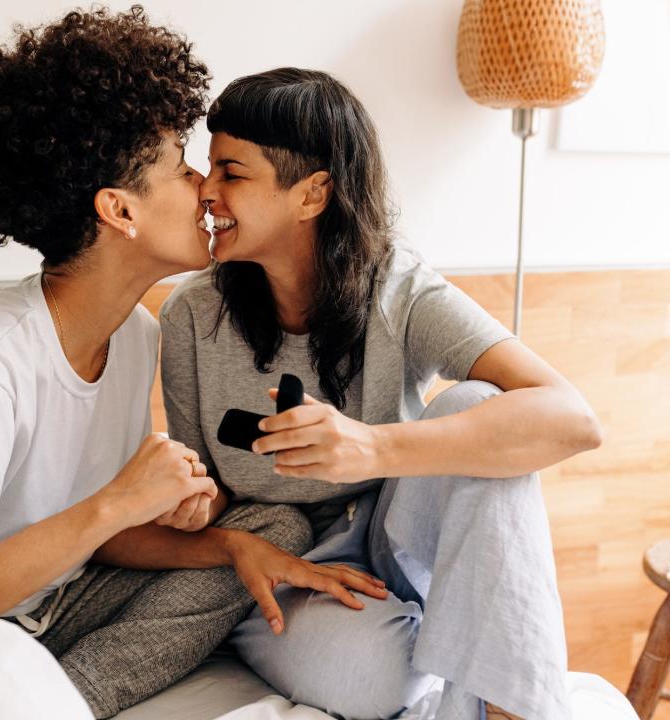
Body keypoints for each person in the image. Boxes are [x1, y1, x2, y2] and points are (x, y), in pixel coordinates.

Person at [0, 13, 384, 719]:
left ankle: (61, 699)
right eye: (181, 166)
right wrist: (117, 503)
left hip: (39, 604)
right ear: (118, 210)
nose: (206, 186)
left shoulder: (135, 334)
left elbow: (85, 534)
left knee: (268, 536)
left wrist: (220, 542)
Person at [159, 67, 604, 720]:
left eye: (231, 171)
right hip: (289, 565)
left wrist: (372, 446)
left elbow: (573, 418)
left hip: (398, 536)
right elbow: (208, 495)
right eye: (208, 167)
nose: (206, 191)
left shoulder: (398, 289)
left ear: (312, 194)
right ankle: (477, 669)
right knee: (385, 682)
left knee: (478, 404)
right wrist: (191, 506)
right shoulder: (190, 316)